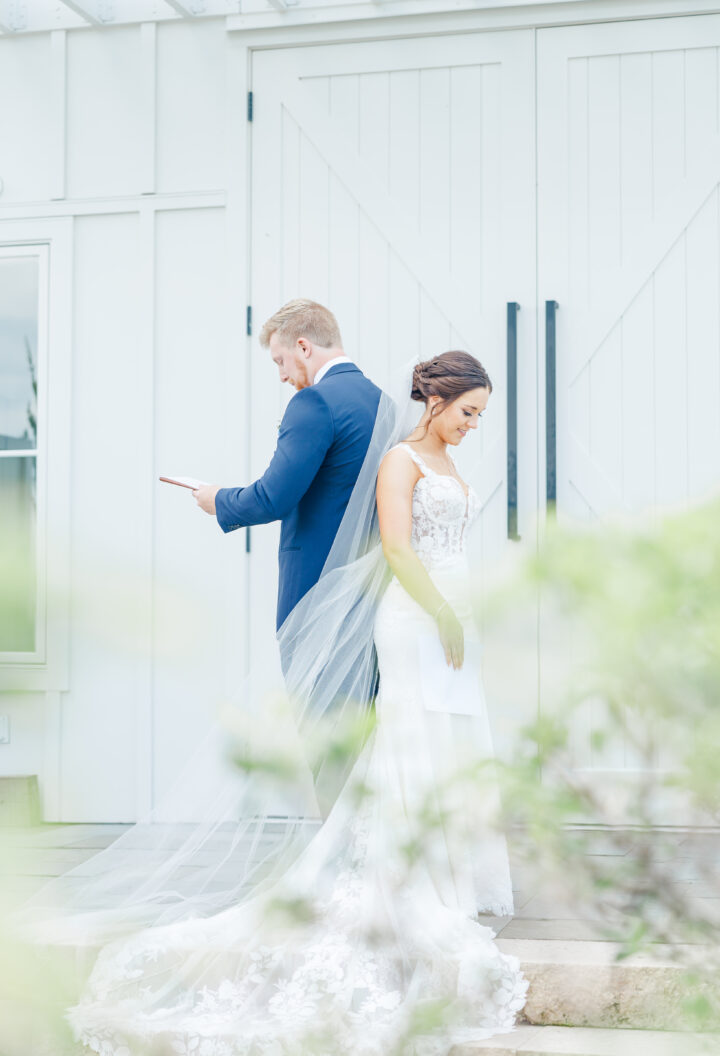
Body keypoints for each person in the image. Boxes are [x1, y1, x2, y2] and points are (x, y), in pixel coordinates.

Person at [55, 350, 528, 1055]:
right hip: (418, 616)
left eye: (481, 417)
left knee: (454, 737)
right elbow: (399, 550)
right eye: (468, 412)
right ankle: (405, 873)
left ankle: (449, 869)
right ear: (435, 399)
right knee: (411, 735)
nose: (472, 426)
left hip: (456, 614)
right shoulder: (401, 460)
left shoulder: (451, 464)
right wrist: (441, 613)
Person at [192, 298, 381, 631]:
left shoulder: (315, 400)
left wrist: (217, 499)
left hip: (317, 585)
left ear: (303, 347)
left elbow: (272, 498)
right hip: (371, 585)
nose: (281, 376)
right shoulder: (381, 400)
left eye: (281, 361)